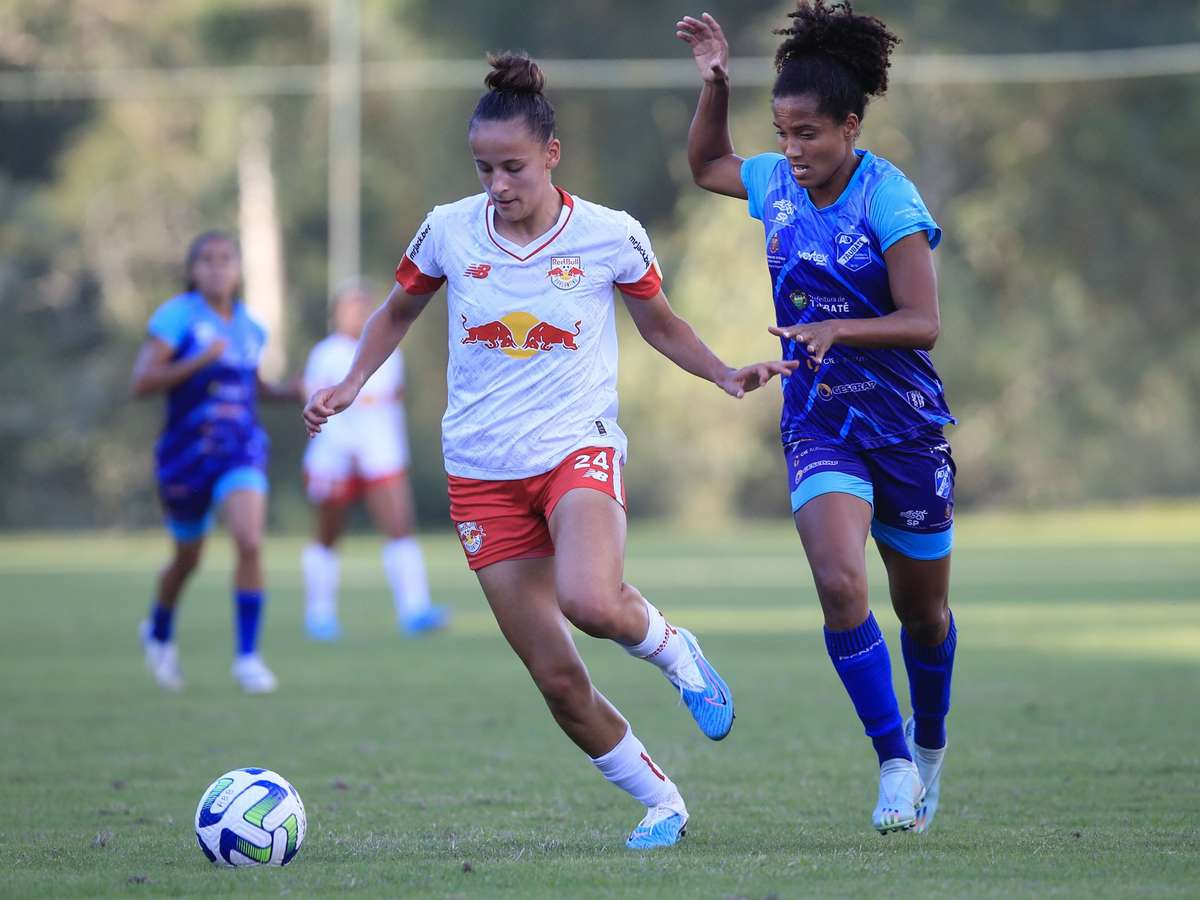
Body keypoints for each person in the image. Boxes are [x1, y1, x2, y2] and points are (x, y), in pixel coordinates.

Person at [304, 53, 795, 849]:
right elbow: (396, 313)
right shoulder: (448, 231)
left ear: (551, 156)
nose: (497, 184)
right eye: (484, 168)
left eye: (513, 167)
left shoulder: (610, 236)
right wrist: (354, 380)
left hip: (576, 448)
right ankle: (661, 801)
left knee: (592, 601)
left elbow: (660, 323)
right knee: (559, 682)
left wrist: (722, 372)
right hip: (481, 475)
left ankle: (677, 652)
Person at [678, 1, 958, 834]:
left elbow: (923, 322)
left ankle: (932, 745)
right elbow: (706, 166)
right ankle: (894, 763)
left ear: (850, 123)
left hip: (905, 425)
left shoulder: (888, 195)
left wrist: (840, 327)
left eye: (809, 135)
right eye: (783, 133)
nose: (792, 152)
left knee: (924, 615)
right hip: (820, 419)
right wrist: (716, 85)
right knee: (840, 583)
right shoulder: (772, 182)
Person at [132, 231, 299, 694]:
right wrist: (199, 361)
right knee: (187, 560)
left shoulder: (251, 326)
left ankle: (248, 658)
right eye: (206, 260)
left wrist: (290, 393)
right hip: (185, 456)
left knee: (249, 539)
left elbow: (251, 387)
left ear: (238, 269)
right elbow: (143, 381)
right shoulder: (176, 317)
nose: (217, 268)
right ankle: (159, 630)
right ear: (192, 270)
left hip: (240, 449)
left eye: (225, 259)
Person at [301, 281, 449, 639]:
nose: (359, 313)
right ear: (338, 312)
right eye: (352, 307)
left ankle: (414, 609)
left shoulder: (388, 353)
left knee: (400, 527)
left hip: (381, 456)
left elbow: (390, 404)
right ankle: (319, 614)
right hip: (334, 456)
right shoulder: (325, 354)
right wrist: (342, 444)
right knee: (328, 534)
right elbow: (312, 402)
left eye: (365, 306)